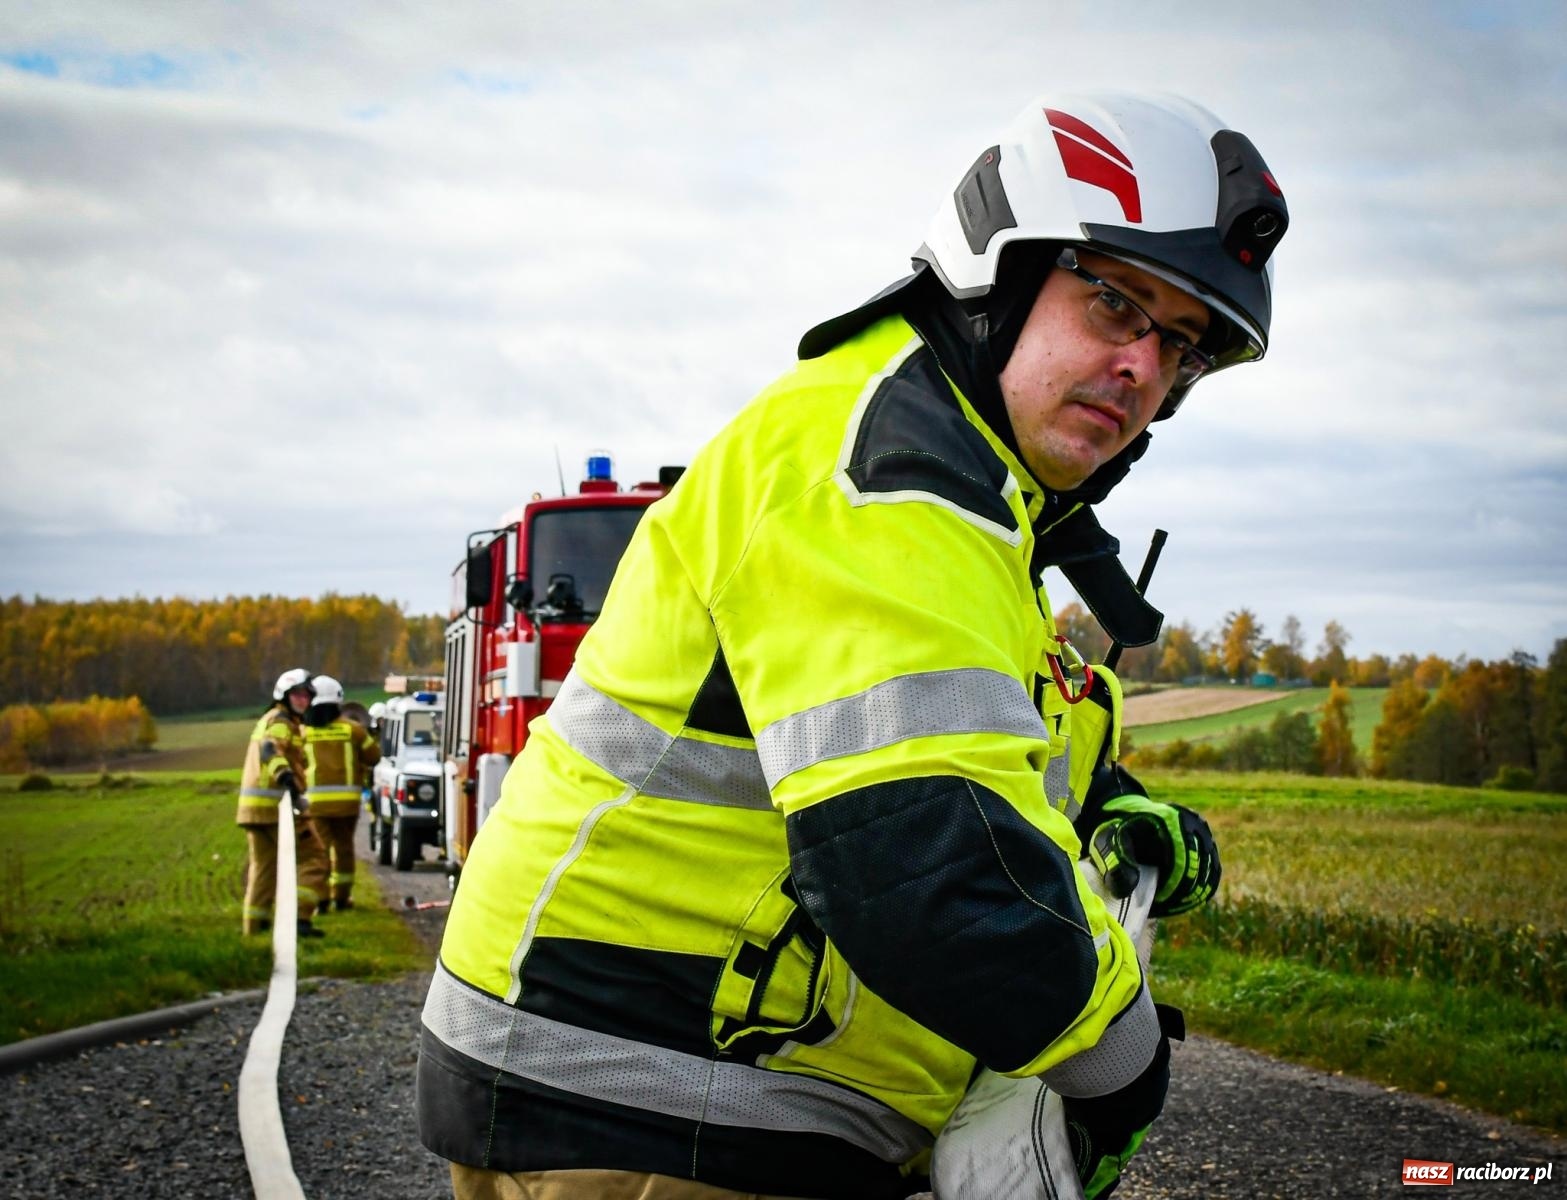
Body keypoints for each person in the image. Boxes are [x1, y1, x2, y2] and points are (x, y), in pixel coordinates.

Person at [417, 90, 1286, 1200]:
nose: (1142, 368)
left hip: (700, 1092)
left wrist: (1098, 805)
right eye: (1115, 305)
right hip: (656, 1106)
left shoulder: (963, 493)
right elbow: (930, 860)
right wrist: (1120, 1064)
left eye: (1181, 346)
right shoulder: (887, 476)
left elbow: (945, 744)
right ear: (997, 277)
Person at [237, 668, 331, 939]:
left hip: (253, 811)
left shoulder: (268, 718)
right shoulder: (282, 722)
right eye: (297, 695)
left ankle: (254, 930)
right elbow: (270, 750)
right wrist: (288, 780)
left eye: (306, 696)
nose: (303, 700)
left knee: (263, 870)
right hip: (278, 809)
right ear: (284, 695)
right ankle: (299, 920)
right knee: (314, 858)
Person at [302, 676, 381, 912]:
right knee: (344, 850)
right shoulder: (353, 730)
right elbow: (374, 756)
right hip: (347, 805)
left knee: (320, 851)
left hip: (315, 805)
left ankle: (321, 899)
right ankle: (342, 897)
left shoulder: (305, 732)